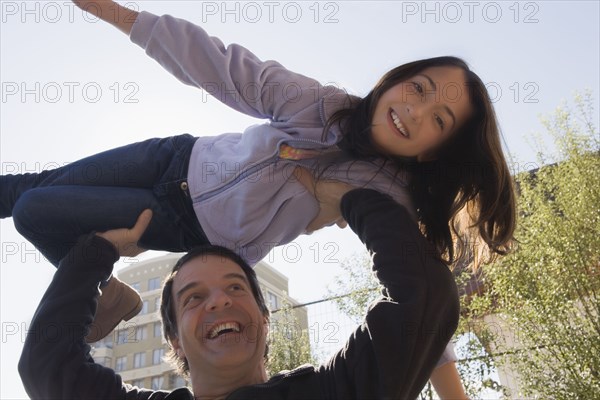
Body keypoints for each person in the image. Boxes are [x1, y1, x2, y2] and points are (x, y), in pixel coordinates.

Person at [1, 0, 515, 341]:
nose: (416, 111)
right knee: (30, 185)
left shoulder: (388, 196)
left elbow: (419, 284)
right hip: (177, 155)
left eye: (438, 120)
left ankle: (107, 294)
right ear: (395, 82)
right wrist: (115, 12)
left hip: (187, 222)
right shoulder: (322, 105)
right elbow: (225, 67)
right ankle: (109, 292)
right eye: (419, 88)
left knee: (34, 210)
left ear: (433, 150)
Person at [18, 182, 461, 399]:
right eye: (193, 298)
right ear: (174, 342)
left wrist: (353, 198)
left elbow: (424, 300)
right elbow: (45, 365)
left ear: (265, 320)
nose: (219, 300)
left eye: (235, 286)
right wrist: (97, 252)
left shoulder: (332, 392)